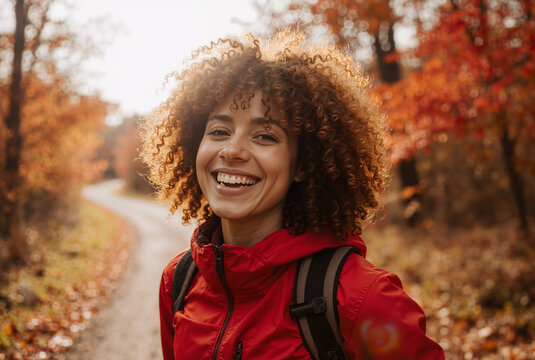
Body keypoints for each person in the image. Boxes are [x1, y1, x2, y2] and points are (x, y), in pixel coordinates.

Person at [142, 31, 444, 359]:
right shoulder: (180, 281)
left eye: (264, 136)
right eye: (219, 131)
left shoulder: (361, 297)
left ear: (301, 164)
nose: (232, 150)